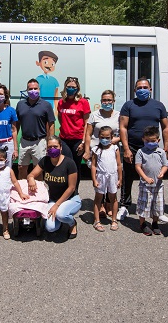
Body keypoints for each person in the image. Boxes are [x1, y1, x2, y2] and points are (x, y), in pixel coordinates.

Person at [119, 78, 168, 222]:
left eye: (145, 87)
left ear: (150, 89)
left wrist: (165, 148)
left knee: (156, 177)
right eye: (139, 87)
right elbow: (123, 127)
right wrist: (126, 149)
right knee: (128, 177)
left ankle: (157, 210)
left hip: (152, 149)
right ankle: (125, 205)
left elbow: (165, 128)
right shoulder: (128, 105)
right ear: (135, 90)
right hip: (133, 147)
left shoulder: (158, 106)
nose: (142, 89)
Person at [27, 136, 81, 239]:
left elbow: (71, 188)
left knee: (61, 215)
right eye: (50, 147)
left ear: (61, 148)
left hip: (70, 199)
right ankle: (59, 220)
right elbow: (31, 175)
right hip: (52, 199)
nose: (52, 149)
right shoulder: (45, 161)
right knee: (51, 228)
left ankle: (72, 223)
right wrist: (31, 179)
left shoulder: (69, 163)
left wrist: (57, 205)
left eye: (55, 146)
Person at [83, 89, 120, 217]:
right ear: (101, 101)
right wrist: (87, 150)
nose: (107, 102)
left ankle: (109, 203)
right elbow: (88, 134)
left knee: (111, 176)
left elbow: (122, 134)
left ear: (113, 101)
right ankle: (102, 204)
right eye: (104, 100)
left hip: (112, 152)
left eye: (109, 100)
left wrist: (112, 140)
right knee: (100, 178)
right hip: (97, 152)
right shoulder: (94, 115)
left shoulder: (118, 115)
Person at [0, 146, 28, 241]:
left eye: (1, 160)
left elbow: (15, 182)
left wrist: (21, 193)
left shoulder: (9, 170)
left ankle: (5, 229)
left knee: (5, 214)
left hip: (5, 196)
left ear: (5, 160)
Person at [15, 78, 56, 179]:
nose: (33, 91)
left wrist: (50, 143)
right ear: (27, 90)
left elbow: (51, 125)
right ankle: (23, 190)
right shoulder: (20, 104)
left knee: (38, 168)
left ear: (39, 90)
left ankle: (38, 192)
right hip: (24, 141)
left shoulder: (46, 105)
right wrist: (15, 143)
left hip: (40, 142)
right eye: (30, 89)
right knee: (21, 167)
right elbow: (16, 125)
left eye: (35, 88)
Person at [57, 76, 90, 190]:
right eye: (69, 87)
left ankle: (74, 191)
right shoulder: (61, 102)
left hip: (78, 140)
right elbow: (60, 118)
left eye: (73, 87)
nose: (71, 89)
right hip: (64, 139)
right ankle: (65, 190)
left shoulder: (83, 102)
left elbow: (87, 123)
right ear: (65, 87)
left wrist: (83, 142)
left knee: (75, 167)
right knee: (66, 165)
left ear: (77, 88)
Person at [135, 126, 168, 236]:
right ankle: (143, 223)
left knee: (157, 205)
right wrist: (145, 178)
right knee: (144, 204)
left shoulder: (161, 152)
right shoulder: (141, 152)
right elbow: (138, 167)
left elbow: (165, 165)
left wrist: (162, 172)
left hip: (158, 185)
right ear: (143, 139)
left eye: (153, 141)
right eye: (147, 141)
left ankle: (155, 223)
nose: (150, 143)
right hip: (145, 185)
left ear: (158, 140)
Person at [90, 126, 122, 232]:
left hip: (113, 176)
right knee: (98, 198)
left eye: (107, 137)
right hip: (101, 176)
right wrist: (94, 179)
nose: (105, 139)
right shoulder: (96, 150)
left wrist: (120, 178)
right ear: (99, 137)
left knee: (113, 198)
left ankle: (114, 220)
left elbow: (118, 165)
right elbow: (93, 165)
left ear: (112, 137)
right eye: (102, 137)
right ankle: (97, 221)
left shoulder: (115, 148)